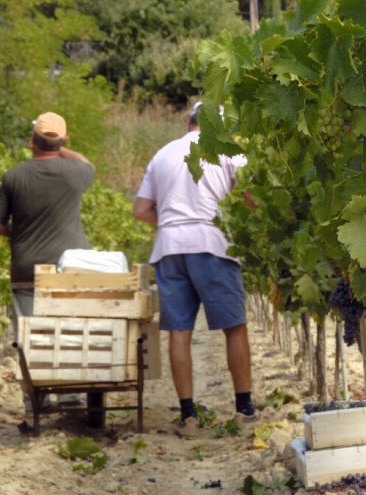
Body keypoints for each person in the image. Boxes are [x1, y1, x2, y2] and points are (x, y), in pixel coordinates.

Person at [132, 102, 257, 438]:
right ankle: (244, 408)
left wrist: (171, 222)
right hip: (212, 243)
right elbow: (251, 199)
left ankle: (188, 415)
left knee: (179, 331)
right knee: (234, 326)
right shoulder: (229, 150)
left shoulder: (161, 155)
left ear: (189, 123)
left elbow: (140, 210)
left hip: (169, 248)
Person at [0, 111, 95, 410]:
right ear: (63, 141)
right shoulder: (77, 173)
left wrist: (18, 232)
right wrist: (60, 146)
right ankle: (71, 396)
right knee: (71, 334)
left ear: (32, 140)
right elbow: (85, 161)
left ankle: (37, 400)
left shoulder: (13, 176)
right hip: (69, 270)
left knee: (31, 338)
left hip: (27, 270)